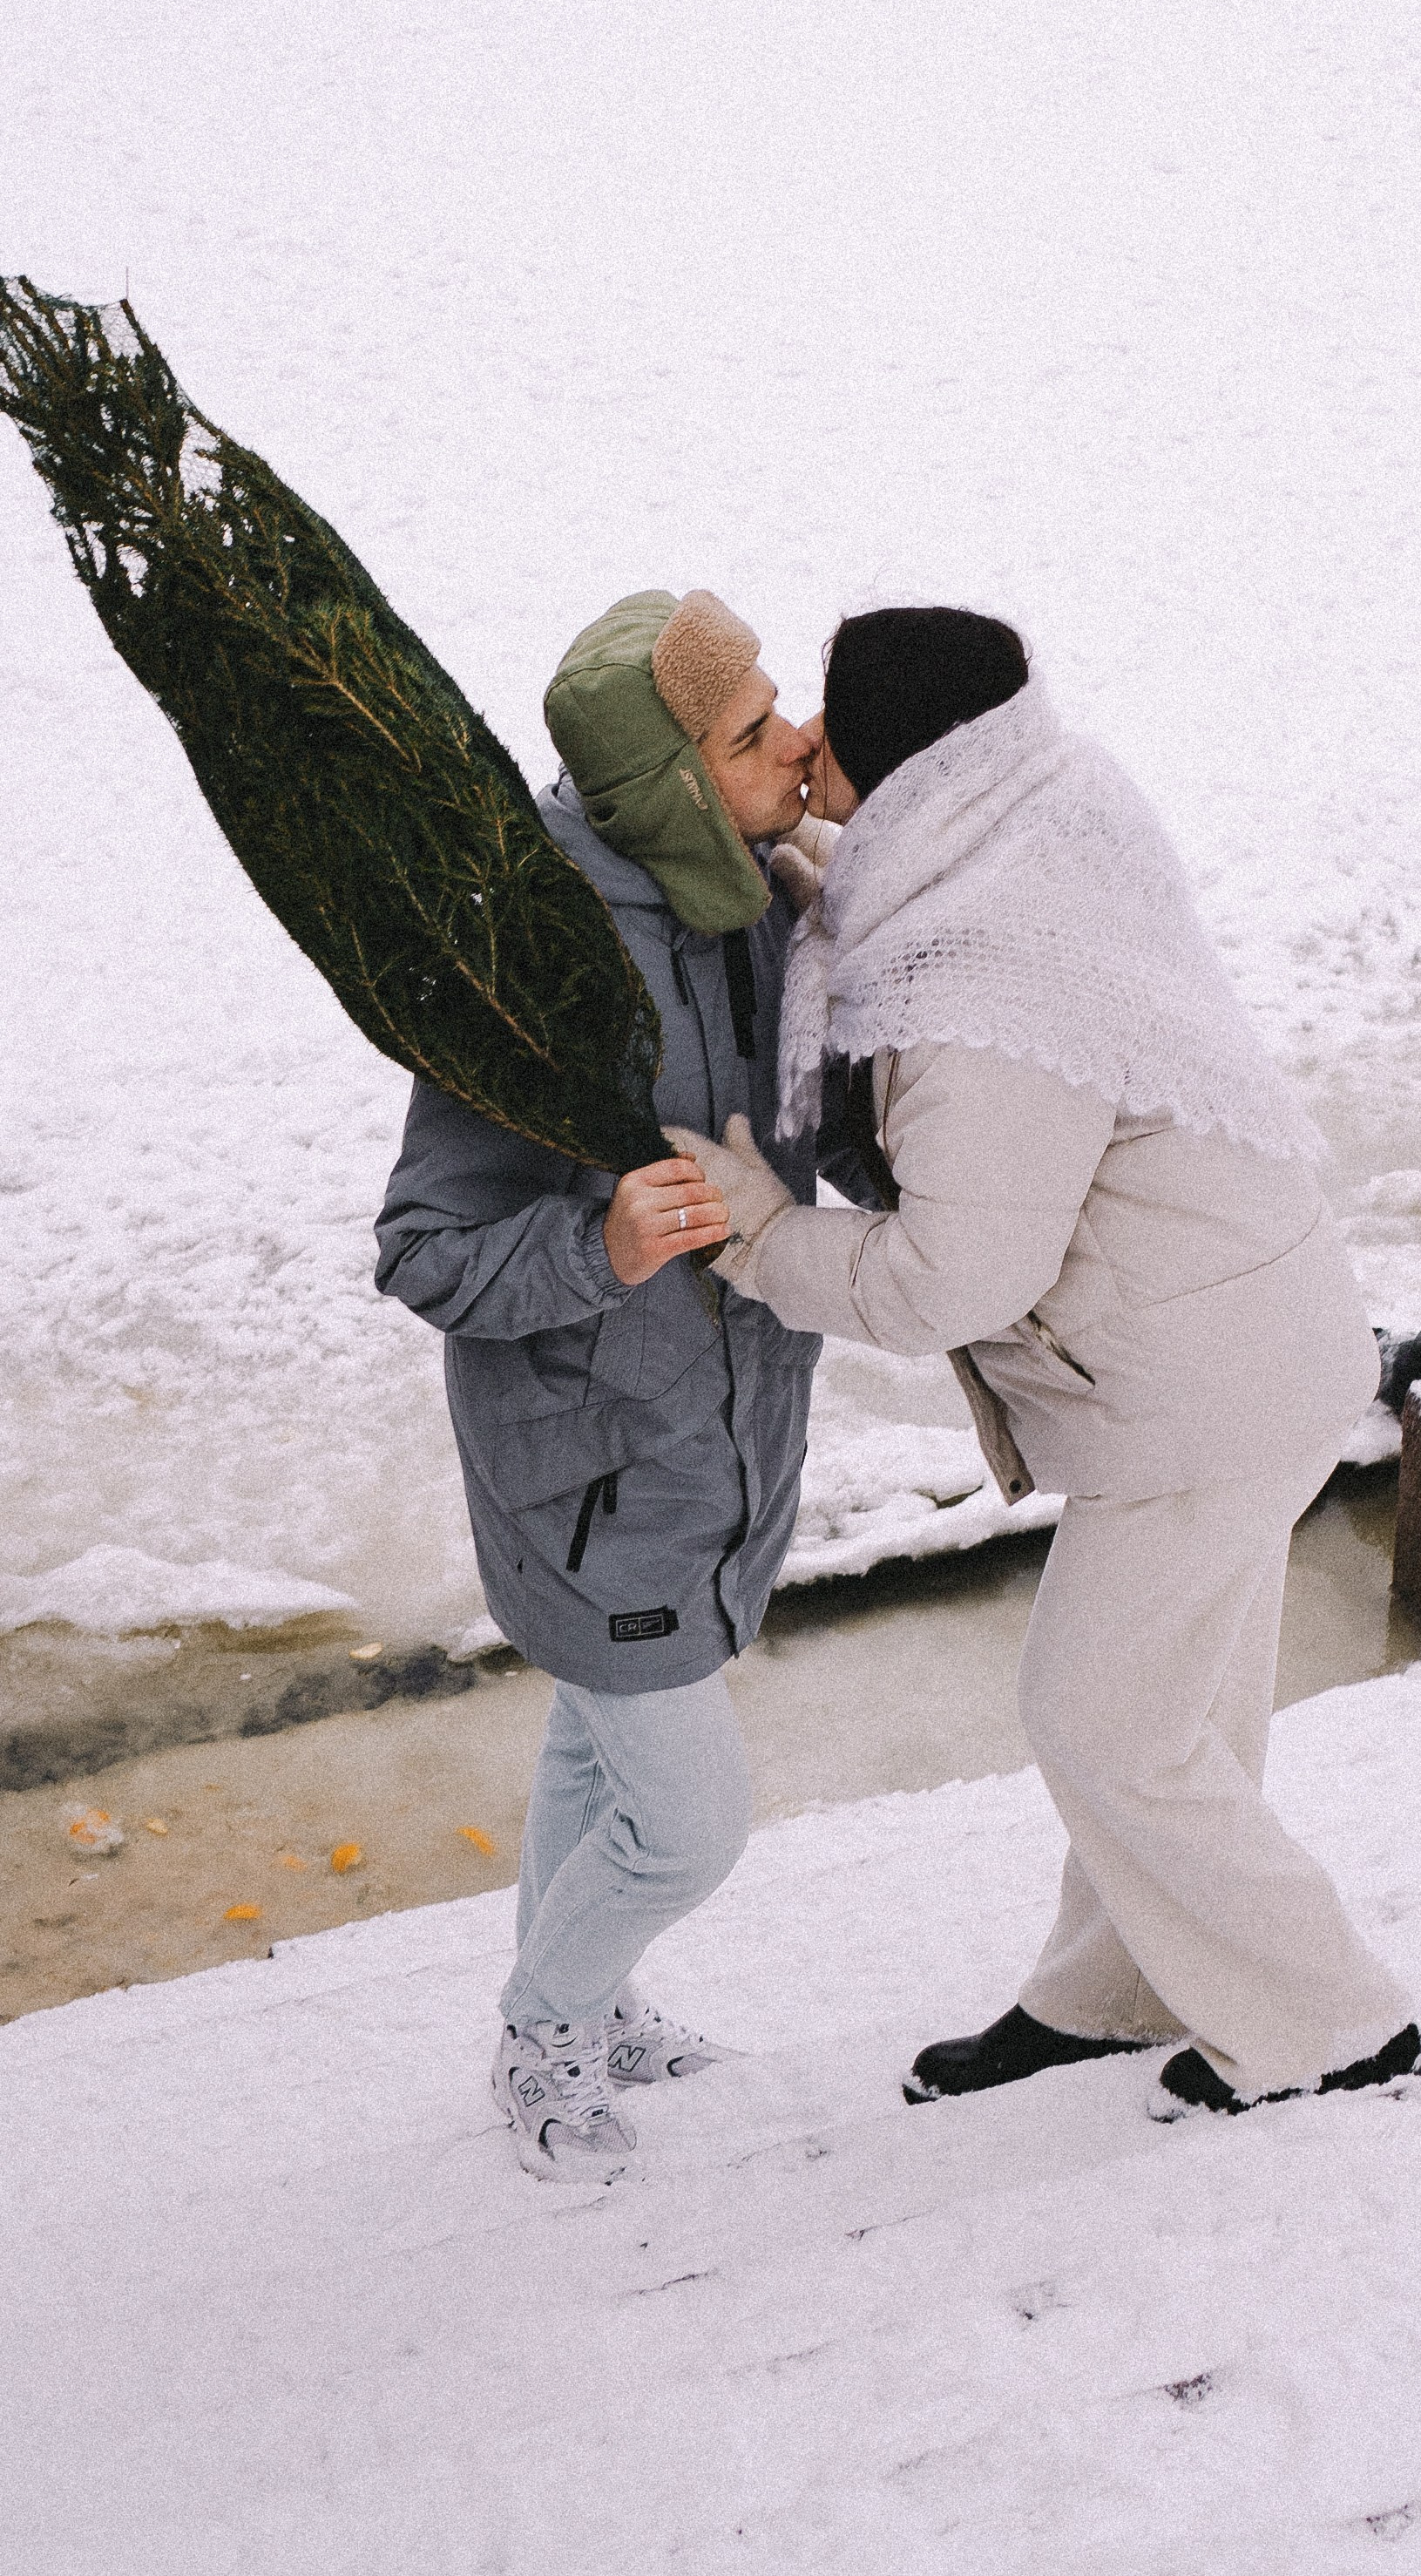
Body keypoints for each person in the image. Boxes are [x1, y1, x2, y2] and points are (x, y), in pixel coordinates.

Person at [675, 607, 1421, 2121]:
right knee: (1179, 1710)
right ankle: (1120, 1987)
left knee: (1101, 1718)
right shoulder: (1049, 798)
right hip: (1243, 1326)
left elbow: (956, 1268)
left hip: (1196, 1387)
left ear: (916, 772)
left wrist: (757, 1234)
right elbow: (926, 915)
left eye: (832, 731)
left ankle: (1334, 2024)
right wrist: (836, 860)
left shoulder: (983, 991)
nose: (806, 746)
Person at [376, 588, 837, 2182]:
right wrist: (602, 1239)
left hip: (710, 1435)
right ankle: (546, 2023)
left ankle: (595, 1997)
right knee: (688, 1821)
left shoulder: (750, 899)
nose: (798, 744)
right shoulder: (536, 962)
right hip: (593, 1475)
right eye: (752, 732)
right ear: (662, 789)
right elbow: (425, 1247)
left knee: (597, 1751)